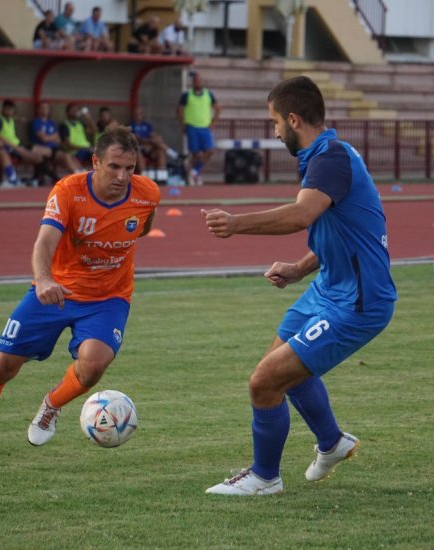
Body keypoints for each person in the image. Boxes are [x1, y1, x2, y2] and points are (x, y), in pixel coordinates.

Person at [202, 76, 397, 496]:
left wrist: (236, 224)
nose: (273, 132)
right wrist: (299, 268)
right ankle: (332, 443)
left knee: (265, 381)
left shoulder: (330, 157)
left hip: (358, 301)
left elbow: (301, 216)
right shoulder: (322, 155)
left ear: (293, 119)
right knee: (280, 367)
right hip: (330, 286)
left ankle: (264, 477)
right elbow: (346, 232)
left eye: (274, 122)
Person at [0, 127, 160, 457]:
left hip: (108, 299)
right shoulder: (68, 191)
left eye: (130, 168)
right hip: (56, 292)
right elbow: (44, 242)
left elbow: (144, 225)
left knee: (94, 365)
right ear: (95, 162)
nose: (122, 176)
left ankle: (51, 405)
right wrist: (44, 279)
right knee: (0, 367)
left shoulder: (147, 193)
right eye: (114, 167)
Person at [177, 71, 220, 186]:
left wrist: (213, 122)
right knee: (195, 153)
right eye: (196, 80)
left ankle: (195, 171)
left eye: (199, 80)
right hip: (192, 126)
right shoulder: (187, 95)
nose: (198, 82)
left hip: (205, 127)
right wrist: (183, 124)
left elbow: (217, 108)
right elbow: (179, 110)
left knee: (209, 150)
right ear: (193, 82)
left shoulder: (208, 94)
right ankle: (193, 175)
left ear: (202, 82)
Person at [0, 99, 44, 187]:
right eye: (7, 109)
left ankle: (35, 179)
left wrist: (20, 119)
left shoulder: (11, 119)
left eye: (11, 109)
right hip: (10, 147)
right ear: (2, 109)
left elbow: (14, 118)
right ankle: (15, 179)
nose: (9, 111)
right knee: (35, 157)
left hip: (17, 145)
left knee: (39, 157)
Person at [30, 101, 79, 183]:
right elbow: (43, 139)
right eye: (42, 108)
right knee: (66, 156)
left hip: (55, 148)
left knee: (70, 156)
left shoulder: (52, 123)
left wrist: (49, 137)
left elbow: (58, 139)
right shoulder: (36, 122)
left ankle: (80, 174)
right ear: (38, 110)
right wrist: (53, 137)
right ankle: (77, 176)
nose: (45, 110)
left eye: (47, 108)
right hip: (43, 149)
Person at [130, 105, 173, 184]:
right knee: (138, 151)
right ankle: (173, 154)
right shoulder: (131, 125)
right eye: (136, 114)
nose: (138, 116)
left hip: (150, 147)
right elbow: (136, 139)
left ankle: (161, 178)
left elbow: (153, 135)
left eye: (140, 114)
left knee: (160, 151)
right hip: (139, 148)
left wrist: (153, 140)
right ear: (133, 114)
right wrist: (148, 141)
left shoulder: (146, 125)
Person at [60, 102, 97, 170]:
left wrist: (89, 118)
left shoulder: (81, 124)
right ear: (67, 112)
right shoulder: (64, 125)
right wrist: (84, 147)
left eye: (76, 110)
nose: (74, 112)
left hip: (86, 150)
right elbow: (68, 144)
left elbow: (94, 130)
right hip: (76, 152)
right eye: (72, 110)